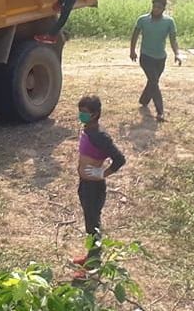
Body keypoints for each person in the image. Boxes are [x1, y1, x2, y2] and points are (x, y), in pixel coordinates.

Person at [74, 95, 126, 268]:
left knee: (93, 225)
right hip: (85, 184)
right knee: (90, 223)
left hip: (93, 187)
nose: (81, 115)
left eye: (85, 112)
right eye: (80, 111)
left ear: (96, 114)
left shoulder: (99, 136)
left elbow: (119, 159)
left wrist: (103, 172)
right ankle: (91, 256)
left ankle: (93, 265)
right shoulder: (88, 130)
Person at [130, 0, 182, 122]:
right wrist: (132, 51)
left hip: (160, 58)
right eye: (154, 7)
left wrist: (177, 53)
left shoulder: (169, 22)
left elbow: (173, 39)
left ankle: (144, 100)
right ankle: (160, 112)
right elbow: (135, 35)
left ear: (164, 9)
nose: (156, 9)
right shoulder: (143, 20)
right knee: (154, 82)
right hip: (146, 57)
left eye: (159, 7)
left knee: (153, 81)